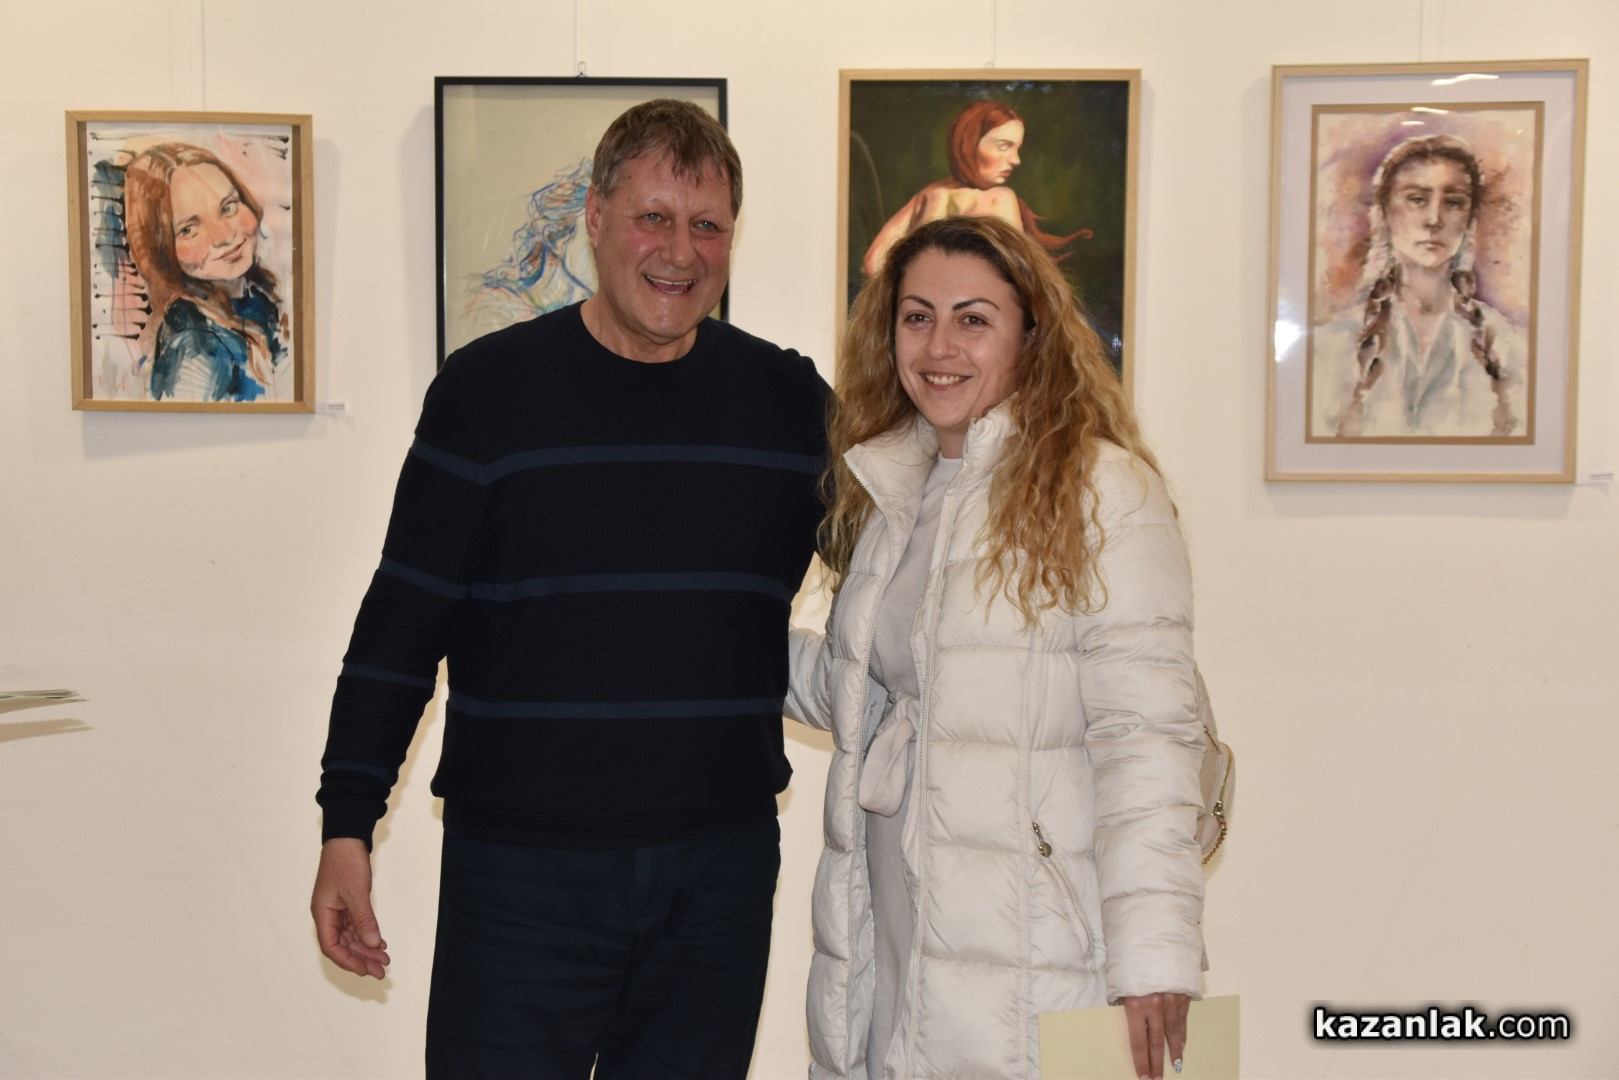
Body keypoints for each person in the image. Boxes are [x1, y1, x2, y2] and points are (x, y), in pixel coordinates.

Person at [310, 99, 829, 1078]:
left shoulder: (789, 406)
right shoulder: (485, 393)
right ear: (593, 217)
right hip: (520, 878)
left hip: (715, 878)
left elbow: (914, 555)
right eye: (652, 217)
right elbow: (402, 624)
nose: (679, 251)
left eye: (706, 224)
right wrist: (348, 823)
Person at [786, 215, 1205, 1080]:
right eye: (916, 317)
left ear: (1031, 335)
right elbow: (865, 688)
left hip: (1034, 945)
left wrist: (1154, 957)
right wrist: (713, 635)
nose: (939, 347)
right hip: (896, 918)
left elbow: (1147, 738)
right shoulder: (890, 490)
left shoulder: (1103, 492)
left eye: (973, 319)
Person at [1316, 133, 1525, 438]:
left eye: (1453, 202)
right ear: (1385, 212)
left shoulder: (1508, 346)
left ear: (1470, 219)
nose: (1434, 219)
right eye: (1417, 199)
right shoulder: (1334, 344)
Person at [121, 143, 287, 402]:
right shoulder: (193, 346)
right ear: (161, 250)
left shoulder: (259, 301)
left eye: (228, 207)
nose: (225, 236)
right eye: (188, 229)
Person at [861, 100, 1089, 277]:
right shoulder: (993, 198)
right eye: (1004, 146)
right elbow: (873, 264)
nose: (1016, 160)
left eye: (1017, 149)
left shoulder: (933, 195)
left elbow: (874, 263)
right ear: (968, 144)